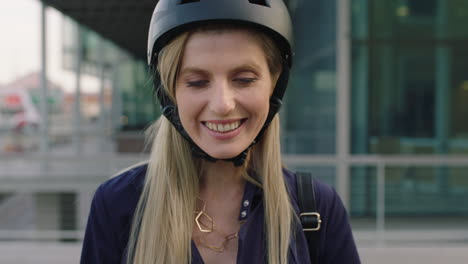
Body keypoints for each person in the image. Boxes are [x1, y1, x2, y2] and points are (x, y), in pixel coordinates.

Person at [80, 0, 360, 263]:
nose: (222, 104)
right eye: (198, 82)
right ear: (169, 92)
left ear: (274, 85)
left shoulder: (317, 209)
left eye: (244, 79)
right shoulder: (118, 204)